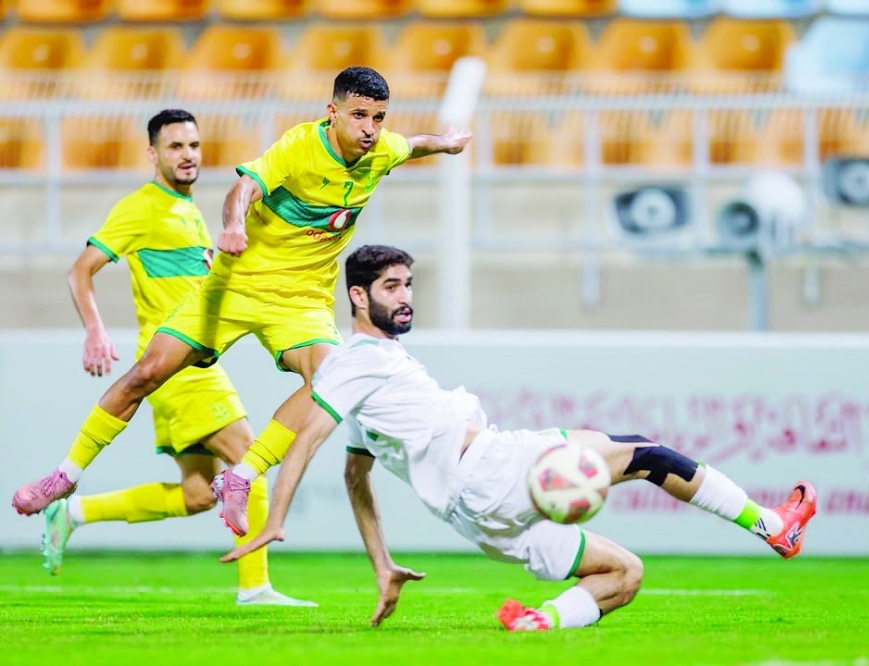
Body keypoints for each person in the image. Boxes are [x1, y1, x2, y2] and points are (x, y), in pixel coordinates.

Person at [219, 244, 819, 631]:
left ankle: (539, 623)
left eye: (408, 284)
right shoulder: (354, 366)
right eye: (391, 287)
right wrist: (276, 515)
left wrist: (383, 565)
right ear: (358, 296)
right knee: (647, 454)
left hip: (478, 518)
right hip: (492, 469)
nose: (405, 298)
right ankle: (773, 526)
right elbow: (306, 435)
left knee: (624, 576)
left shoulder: (365, 379)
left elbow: (357, 477)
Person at [11, 66, 472, 537]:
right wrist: (233, 225)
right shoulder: (300, 146)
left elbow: (414, 144)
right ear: (332, 113)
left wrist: (447, 141)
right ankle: (64, 477)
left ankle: (243, 474)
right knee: (147, 373)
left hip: (301, 298)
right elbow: (244, 188)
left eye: (378, 118)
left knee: (329, 380)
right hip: (236, 285)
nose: (370, 129)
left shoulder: (383, 149)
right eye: (359, 116)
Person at [37, 110, 312, 606]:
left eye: (193, 146)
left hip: (190, 365)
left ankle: (74, 512)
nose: (187, 156)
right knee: (250, 460)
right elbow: (81, 270)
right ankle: (255, 588)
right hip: (175, 369)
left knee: (199, 495)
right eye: (175, 147)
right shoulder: (142, 207)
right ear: (153, 154)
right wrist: (95, 331)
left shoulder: (188, 210)